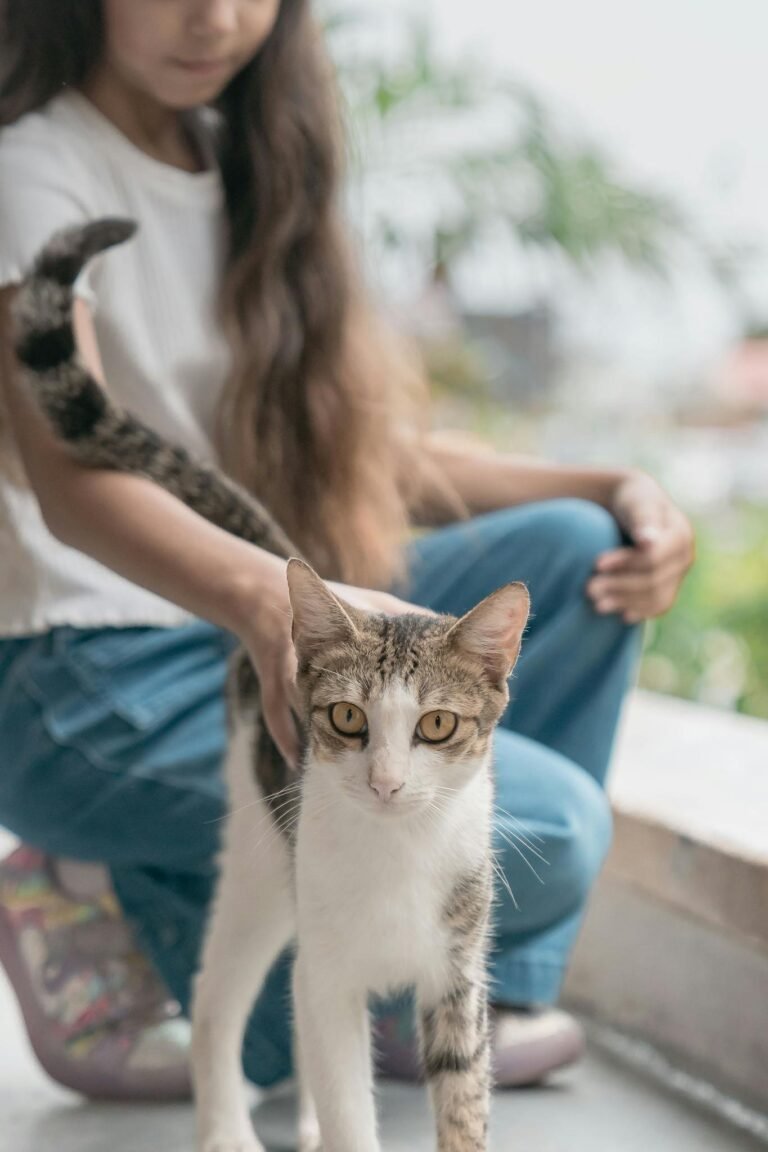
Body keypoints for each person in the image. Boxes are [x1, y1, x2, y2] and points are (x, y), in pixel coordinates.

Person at [0, 0, 694, 1104]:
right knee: (547, 832)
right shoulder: (31, 167)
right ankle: (103, 901)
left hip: (241, 622)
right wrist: (267, 602)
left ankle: (455, 997)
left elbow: (362, 453)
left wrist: (612, 483)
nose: (212, 16)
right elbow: (73, 486)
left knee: (579, 548)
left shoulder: (249, 161)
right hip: (92, 672)